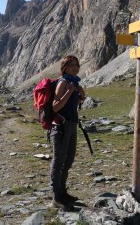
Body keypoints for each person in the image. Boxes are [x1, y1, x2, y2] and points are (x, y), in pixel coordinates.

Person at [50, 55, 85, 210]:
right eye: (72, 65)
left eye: (77, 65)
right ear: (64, 67)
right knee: (58, 162)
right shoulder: (63, 83)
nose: (75, 67)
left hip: (71, 125)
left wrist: (80, 97)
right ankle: (56, 197)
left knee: (69, 159)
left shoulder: (74, 82)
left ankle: (63, 192)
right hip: (60, 127)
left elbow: (71, 104)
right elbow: (55, 106)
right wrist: (69, 92)